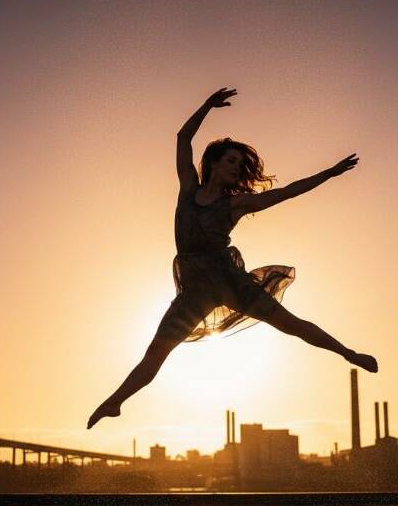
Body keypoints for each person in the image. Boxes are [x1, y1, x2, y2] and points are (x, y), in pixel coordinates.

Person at [87, 87, 377, 429]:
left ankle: (349, 354)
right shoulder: (188, 187)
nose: (237, 168)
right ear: (213, 164)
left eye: (240, 165)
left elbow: (285, 193)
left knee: (291, 325)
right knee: (156, 353)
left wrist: (328, 174)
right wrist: (207, 105)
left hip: (228, 281)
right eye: (231, 161)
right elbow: (183, 137)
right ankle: (115, 402)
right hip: (195, 291)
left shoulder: (236, 204)